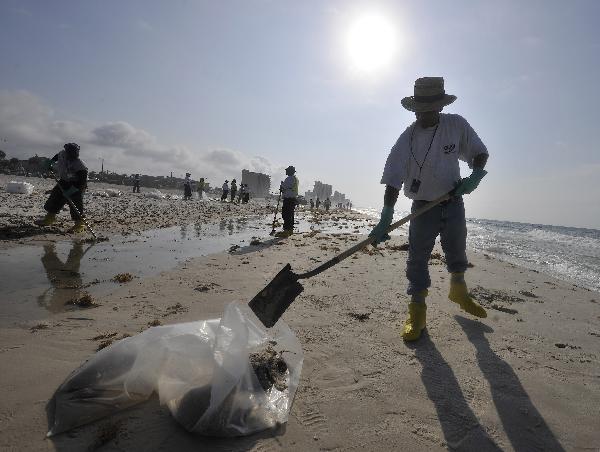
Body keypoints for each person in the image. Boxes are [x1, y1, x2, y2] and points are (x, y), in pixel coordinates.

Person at [369, 77, 489, 342]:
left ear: (440, 107)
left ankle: (458, 290)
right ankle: (417, 310)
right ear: (414, 110)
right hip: (423, 207)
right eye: (420, 110)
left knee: (457, 248)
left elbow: (480, 152)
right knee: (417, 257)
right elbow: (392, 180)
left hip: (453, 200)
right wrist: (386, 217)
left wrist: (476, 175)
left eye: (430, 109)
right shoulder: (407, 139)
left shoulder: (456, 126)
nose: (425, 115)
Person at [34, 143, 88, 233]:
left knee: (75, 203)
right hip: (64, 180)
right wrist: (50, 163)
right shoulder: (62, 154)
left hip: (77, 184)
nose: (71, 155)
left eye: (74, 154)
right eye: (69, 153)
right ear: (66, 152)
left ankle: (80, 224)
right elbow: (56, 157)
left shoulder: (80, 165)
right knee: (55, 197)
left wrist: (72, 190)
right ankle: (49, 218)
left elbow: (81, 182)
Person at [276, 166, 299, 237]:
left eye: (287, 171)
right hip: (293, 198)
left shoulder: (289, 178)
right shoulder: (295, 179)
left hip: (288, 198)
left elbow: (284, 187)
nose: (286, 172)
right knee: (290, 214)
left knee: (286, 214)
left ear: (290, 171)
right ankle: (290, 230)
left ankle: (286, 230)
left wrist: (282, 185)